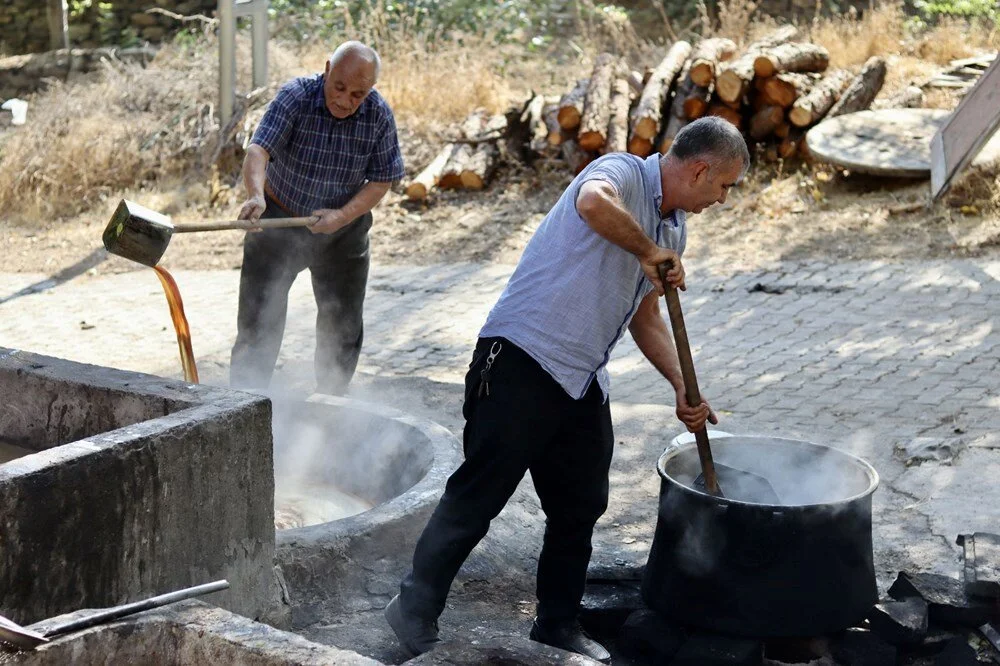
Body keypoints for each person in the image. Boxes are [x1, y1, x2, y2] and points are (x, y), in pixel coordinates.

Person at [384, 117, 750, 662]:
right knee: (476, 498)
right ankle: (412, 609)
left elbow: (645, 317)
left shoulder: (673, 230)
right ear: (699, 169)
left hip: (581, 380)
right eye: (724, 185)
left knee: (580, 509)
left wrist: (680, 384)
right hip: (520, 361)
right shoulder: (622, 173)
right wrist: (648, 250)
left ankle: (556, 623)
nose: (722, 198)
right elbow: (591, 204)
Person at [230, 41, 404, 395]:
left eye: (357, 93)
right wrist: (255, 195)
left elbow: (382, 179)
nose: (344, 100)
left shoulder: (379, 115)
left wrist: (342, 216)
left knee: (343, 323)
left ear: (370, 89)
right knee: (259, 319)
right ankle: (244, 404)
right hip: (278, 217)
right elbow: (259, 149)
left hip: (343, 230)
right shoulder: (296, 96)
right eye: (338, 87)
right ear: (327, 69)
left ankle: (333, 403)